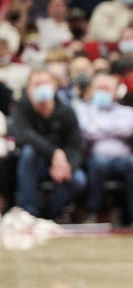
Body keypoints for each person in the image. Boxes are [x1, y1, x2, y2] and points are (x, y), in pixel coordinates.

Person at [9, 69, 86, 219]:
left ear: (55, 86)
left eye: (45, 83)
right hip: (33, 164)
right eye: (37, 84)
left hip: (60, 165)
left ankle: (48, 215)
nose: (41, 88)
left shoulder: (66, 111)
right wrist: (54, 152)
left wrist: (66, 166)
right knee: (28, 152)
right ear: (28, 89)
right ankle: (28, 213)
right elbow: (23, 135)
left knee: (79, 180)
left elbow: (76, 146)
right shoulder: (21, 107)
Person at [73, 73, 133, 225]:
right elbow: (86, 131)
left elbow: (128, 130)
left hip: (124, 158)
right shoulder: (83, 110)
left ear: (115, 92)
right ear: (92, 90)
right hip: (96, 157)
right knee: (98, 164)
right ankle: (92, 213)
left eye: (107, 89)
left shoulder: (128, 111)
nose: (103, 92)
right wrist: (114, 128)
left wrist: (99, 127)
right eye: (99, 88)